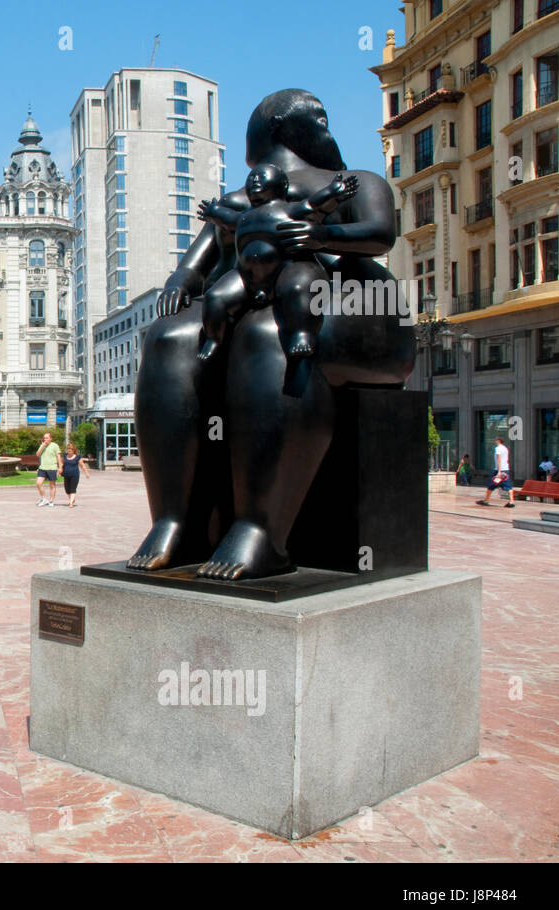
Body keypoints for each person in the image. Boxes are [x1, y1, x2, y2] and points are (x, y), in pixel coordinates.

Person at [129, 89, 416, 580]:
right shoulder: (241, 200)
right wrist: (181, 284)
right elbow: (194, 264)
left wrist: (322, 237)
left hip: (361, 311)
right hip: (253, 302)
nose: (326, 127)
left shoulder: (354, 182)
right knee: (169, 339)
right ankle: (176, 522)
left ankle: (261, 529)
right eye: (318, 118)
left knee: (269, 334)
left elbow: (380, 234)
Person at [195, 165, 359, 365]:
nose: (254, 180)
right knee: (215, 297)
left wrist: (333, 192)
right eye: (251, 178)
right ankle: (214, 337)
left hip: (287, 268)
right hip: (246, 277)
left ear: (281, 185)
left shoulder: (291, 209)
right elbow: (227, 219)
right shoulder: (243, 217)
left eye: (261, 177)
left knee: (298, 289)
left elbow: (315, 204)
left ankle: (303, 333)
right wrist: (213, 211)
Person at [478, 436, 514, 508]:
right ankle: (512, 501)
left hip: (499, 471)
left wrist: (499, 471)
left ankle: (486, 500)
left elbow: (499, 459)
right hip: (506, 470)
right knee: (508, 485)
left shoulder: (498, 448)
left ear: (498, 440)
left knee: (491, 483)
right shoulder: (505, 448)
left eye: (496, 440)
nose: (495, 441)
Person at [35, 432, 62, 507]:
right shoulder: (42, 445)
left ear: (51, 438)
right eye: (44, 438)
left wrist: (60, 467)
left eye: (47, 438)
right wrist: (43, 446)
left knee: (52, 485)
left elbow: (58, 456)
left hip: (52, 468)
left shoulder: (55, 445)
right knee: (38, 483)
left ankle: (51, 500)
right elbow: (38, 454)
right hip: (42, 468)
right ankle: (44, 499)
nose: (45, 439)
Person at [61, 442, 90, 507]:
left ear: (73, 450)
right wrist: (59, 470)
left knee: (72, 489)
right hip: (66, 475)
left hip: (75, 475)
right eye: (68, 450)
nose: (69, 451)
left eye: (70, 450)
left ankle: (71, 503)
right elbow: (61, 464)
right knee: (67, 490)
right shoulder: (65, 456)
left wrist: (86, 473)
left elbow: (82, 466)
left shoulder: (77, 457)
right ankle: (72, 499)